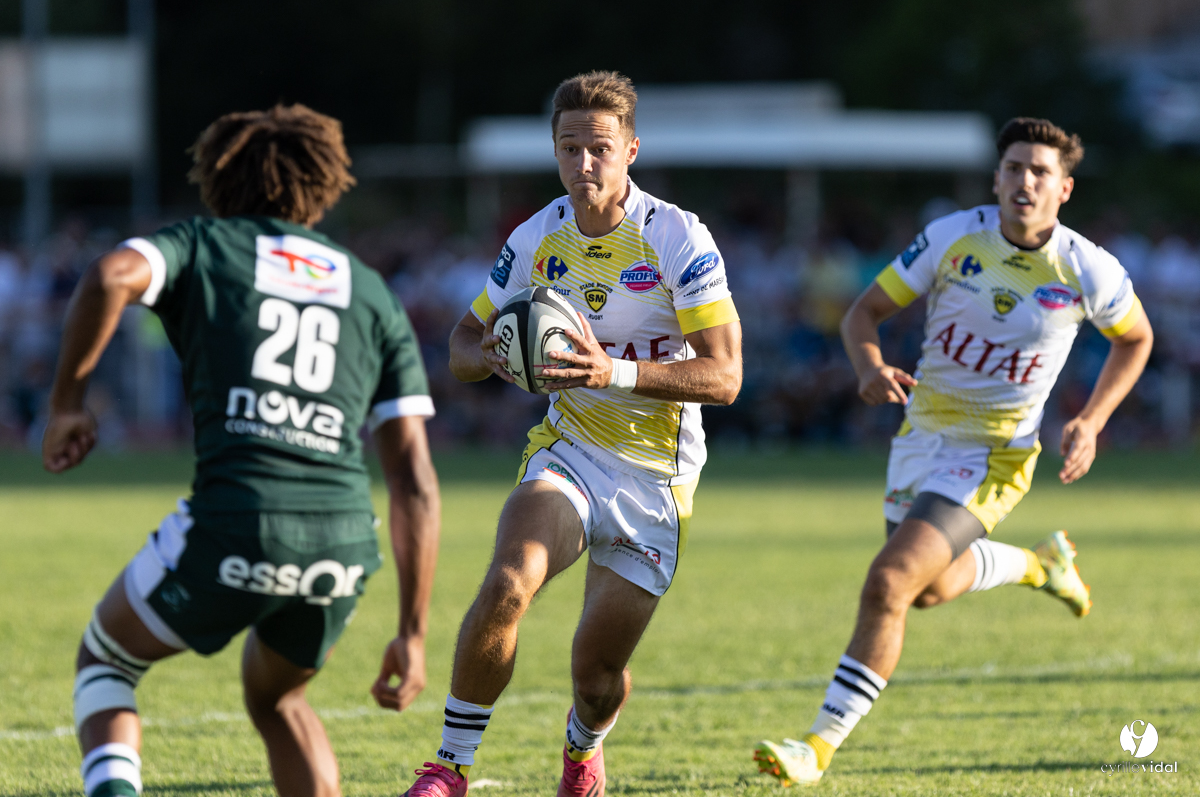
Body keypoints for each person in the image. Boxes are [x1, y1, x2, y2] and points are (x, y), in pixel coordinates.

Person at [43, 104, 441, 797]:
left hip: (238, 522)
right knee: (279, 699)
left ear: (218, 180)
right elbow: (414, 480)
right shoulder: (371, 291)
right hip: (342, 544)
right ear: (323, 185)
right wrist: (412, 631)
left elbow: (110, 276)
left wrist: (67, 405)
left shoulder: (205, 246)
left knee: (106, 663)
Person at [754, 117, 1154, 786]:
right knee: (928, 591)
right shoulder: (951, 238)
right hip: (920, 437)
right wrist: (868, 367)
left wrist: (1091, 418)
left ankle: (816, 748)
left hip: (995, 453)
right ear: (997, 179)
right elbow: (862, 315)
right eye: (1015, 168)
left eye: (1041, 172)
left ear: (1065, 189)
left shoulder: (1088, 268)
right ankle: (1038, 565)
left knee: (888, 582)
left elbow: (1135, 339)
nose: (1026, 181)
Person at [400, 71, 742, 797]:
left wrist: (607, 372)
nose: (584, 165)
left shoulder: (676, 236)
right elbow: (462, 342)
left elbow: (726, 376)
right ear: (554, 151)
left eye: (600, 149)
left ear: (631, 151)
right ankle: (449, 767)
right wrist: (489, 356)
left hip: (657, 476)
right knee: (507, 581)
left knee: (596, 679)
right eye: (569, 148)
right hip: (572, 454)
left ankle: (583, 749)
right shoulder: (535, 236)